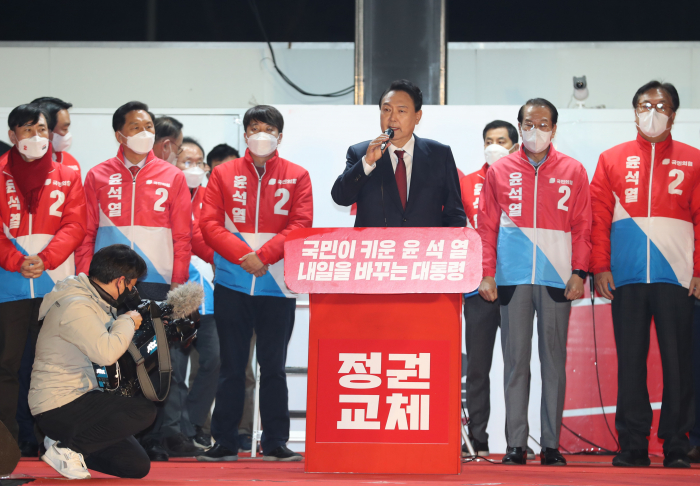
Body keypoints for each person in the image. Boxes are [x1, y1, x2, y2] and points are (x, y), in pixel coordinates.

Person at [74, 101, 193, 461]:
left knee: (157, 360)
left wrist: (179, 290)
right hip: (108, 286)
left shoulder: (173, 177)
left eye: (149, 127)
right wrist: (85, 282)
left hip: (156, 284)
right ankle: (116, 435)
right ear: (119, 134)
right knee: (111, 361)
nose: (145, 133)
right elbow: (85, 233)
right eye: (137, 127)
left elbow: (183, 238)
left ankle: (155, 437)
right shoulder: (97, 175)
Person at [590, 81, 700, 469]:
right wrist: (601, 266)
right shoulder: (611, 159)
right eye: (644, 104)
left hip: (678, 278)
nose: (651, 111)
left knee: (678, 364)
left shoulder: (694, 159)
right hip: (627, 277)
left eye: (660, 105)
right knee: (630, 363)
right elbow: (598, 217)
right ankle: (633, 444)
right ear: (634, 110)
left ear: (673, 113)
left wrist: (699, 270)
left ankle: (675, 444)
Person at [477, 98, 591, 466]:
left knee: (554, 362)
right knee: (515, 363)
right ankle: (515, 445)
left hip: (558, 278)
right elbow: (487, 227)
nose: (534, 130)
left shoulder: (574, 170)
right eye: (528, 123)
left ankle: (552, 445)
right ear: (519, 127)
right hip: (512, 279)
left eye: (543, 124)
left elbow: (583, 227)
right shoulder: (500, 170)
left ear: (554, 129)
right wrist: (487, 272)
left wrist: (579, 271)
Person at [198, 105, 312, 462]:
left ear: (279, 135)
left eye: (268, 128)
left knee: (273, 366)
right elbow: (210, 224)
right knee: (232, 366)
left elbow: (301, 224)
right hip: (233, 282)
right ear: (245, 135)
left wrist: (264, 256)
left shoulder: (298, 175)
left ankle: (275, 441)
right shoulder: (223, 174)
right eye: (254, 127)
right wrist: (243, 255)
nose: (261, 133)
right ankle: (225, 441)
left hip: (277, 285)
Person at [0, 104, 87, 449]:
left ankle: (48, 440)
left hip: (56, 286)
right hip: (9, 286)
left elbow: (76, 224)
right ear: (12, 136)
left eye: (41, 130)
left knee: (51, 366)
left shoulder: (67, 175)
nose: (35, 138)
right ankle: (7, 442)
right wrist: (14, 260)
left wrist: (47, 258)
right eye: (27, 131)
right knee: (8, 366)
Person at [29, 244, 156, 480]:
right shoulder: (76, 305)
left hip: (81, 398)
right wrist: (127, 321)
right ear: (120, 281)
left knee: (135, 466)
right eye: (132, 283)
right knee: (144, 411)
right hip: (59, 403)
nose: (133, 289)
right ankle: (68, 449)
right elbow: (106, 353)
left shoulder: (95, 300)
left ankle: (59, 442)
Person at [460, 120, 520, 458]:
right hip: (478, 290)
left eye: (500, 140)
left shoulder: (525, 180)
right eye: (488, 140)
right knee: (478, 367)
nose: (493, 145)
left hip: (514, 286)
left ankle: (516, 439)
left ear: (514, 145)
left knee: (516, 365)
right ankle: (478, 439)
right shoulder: (468, 182)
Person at [331, 79, 466, 228]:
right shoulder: (360, 153)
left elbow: (454, 214)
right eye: (387, 110)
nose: (392, 118)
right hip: (377, 248)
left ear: (417, 116)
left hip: (423, 248)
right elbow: (340, 198)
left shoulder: (439, 155)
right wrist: (367, 163)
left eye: (401, 111)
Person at [171, 137, 221, 449]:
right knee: (174, 368)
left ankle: (193, 423)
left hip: (211, 300)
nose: (193, 168)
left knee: (215, 360)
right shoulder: (165, 196)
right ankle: (175, 431)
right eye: (185, 161)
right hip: (175, 296)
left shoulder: (212, 199)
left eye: (198, 162)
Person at [31, 97, 81, 176]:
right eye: (64, 128)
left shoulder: (70, 162)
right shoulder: (11, 165)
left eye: (67, 128)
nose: (67, 134)